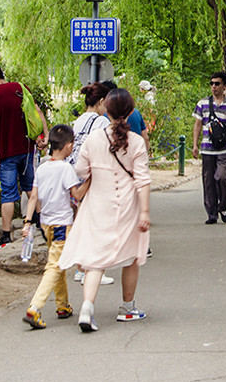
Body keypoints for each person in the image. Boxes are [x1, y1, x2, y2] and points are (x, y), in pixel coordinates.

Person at [59, 89, 151, 333]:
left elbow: (80, 170)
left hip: (97, 204)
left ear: (106, 111)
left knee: (94, 259)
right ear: (131, 112)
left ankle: (87, 308)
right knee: (131, 256)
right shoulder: (138, 142)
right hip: (128, 205)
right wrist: (144, 212)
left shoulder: (93, 139)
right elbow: (142, 180)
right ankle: (128, 308)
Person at [22, 125, 91, 329]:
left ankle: (62, 305)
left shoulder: (42, 168)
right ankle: (35, 307)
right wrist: (90, 180)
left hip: (46, 223)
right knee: (54, 265)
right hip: (62, 223)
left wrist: (27, 222)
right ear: (69, 146)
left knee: (58, 262)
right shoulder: (65, 168)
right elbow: (77, 195)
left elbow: (34, 197)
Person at [0, 65, 47, 248]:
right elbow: (37, 112)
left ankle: (6, 235)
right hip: (27, 148)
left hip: (6, 152)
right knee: (32, 188)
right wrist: (44, 135)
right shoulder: (20, 88)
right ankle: (41, 226)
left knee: (8, 194)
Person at [193, 72, 226, 224]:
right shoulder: (203, 104)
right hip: (207, 148)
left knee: (221, 177)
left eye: (217, 84)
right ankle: (212, 213)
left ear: (224, 86)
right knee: (208, 180)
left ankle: (223, 206)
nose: (214, 86)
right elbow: (197, 125)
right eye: (212, 83)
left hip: (224, 148)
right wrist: (195, 144)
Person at [69, 83, 110, 167]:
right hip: (92, 168)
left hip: (76, 167)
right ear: (101, 101)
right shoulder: (102, 121)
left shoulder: (78, 121)